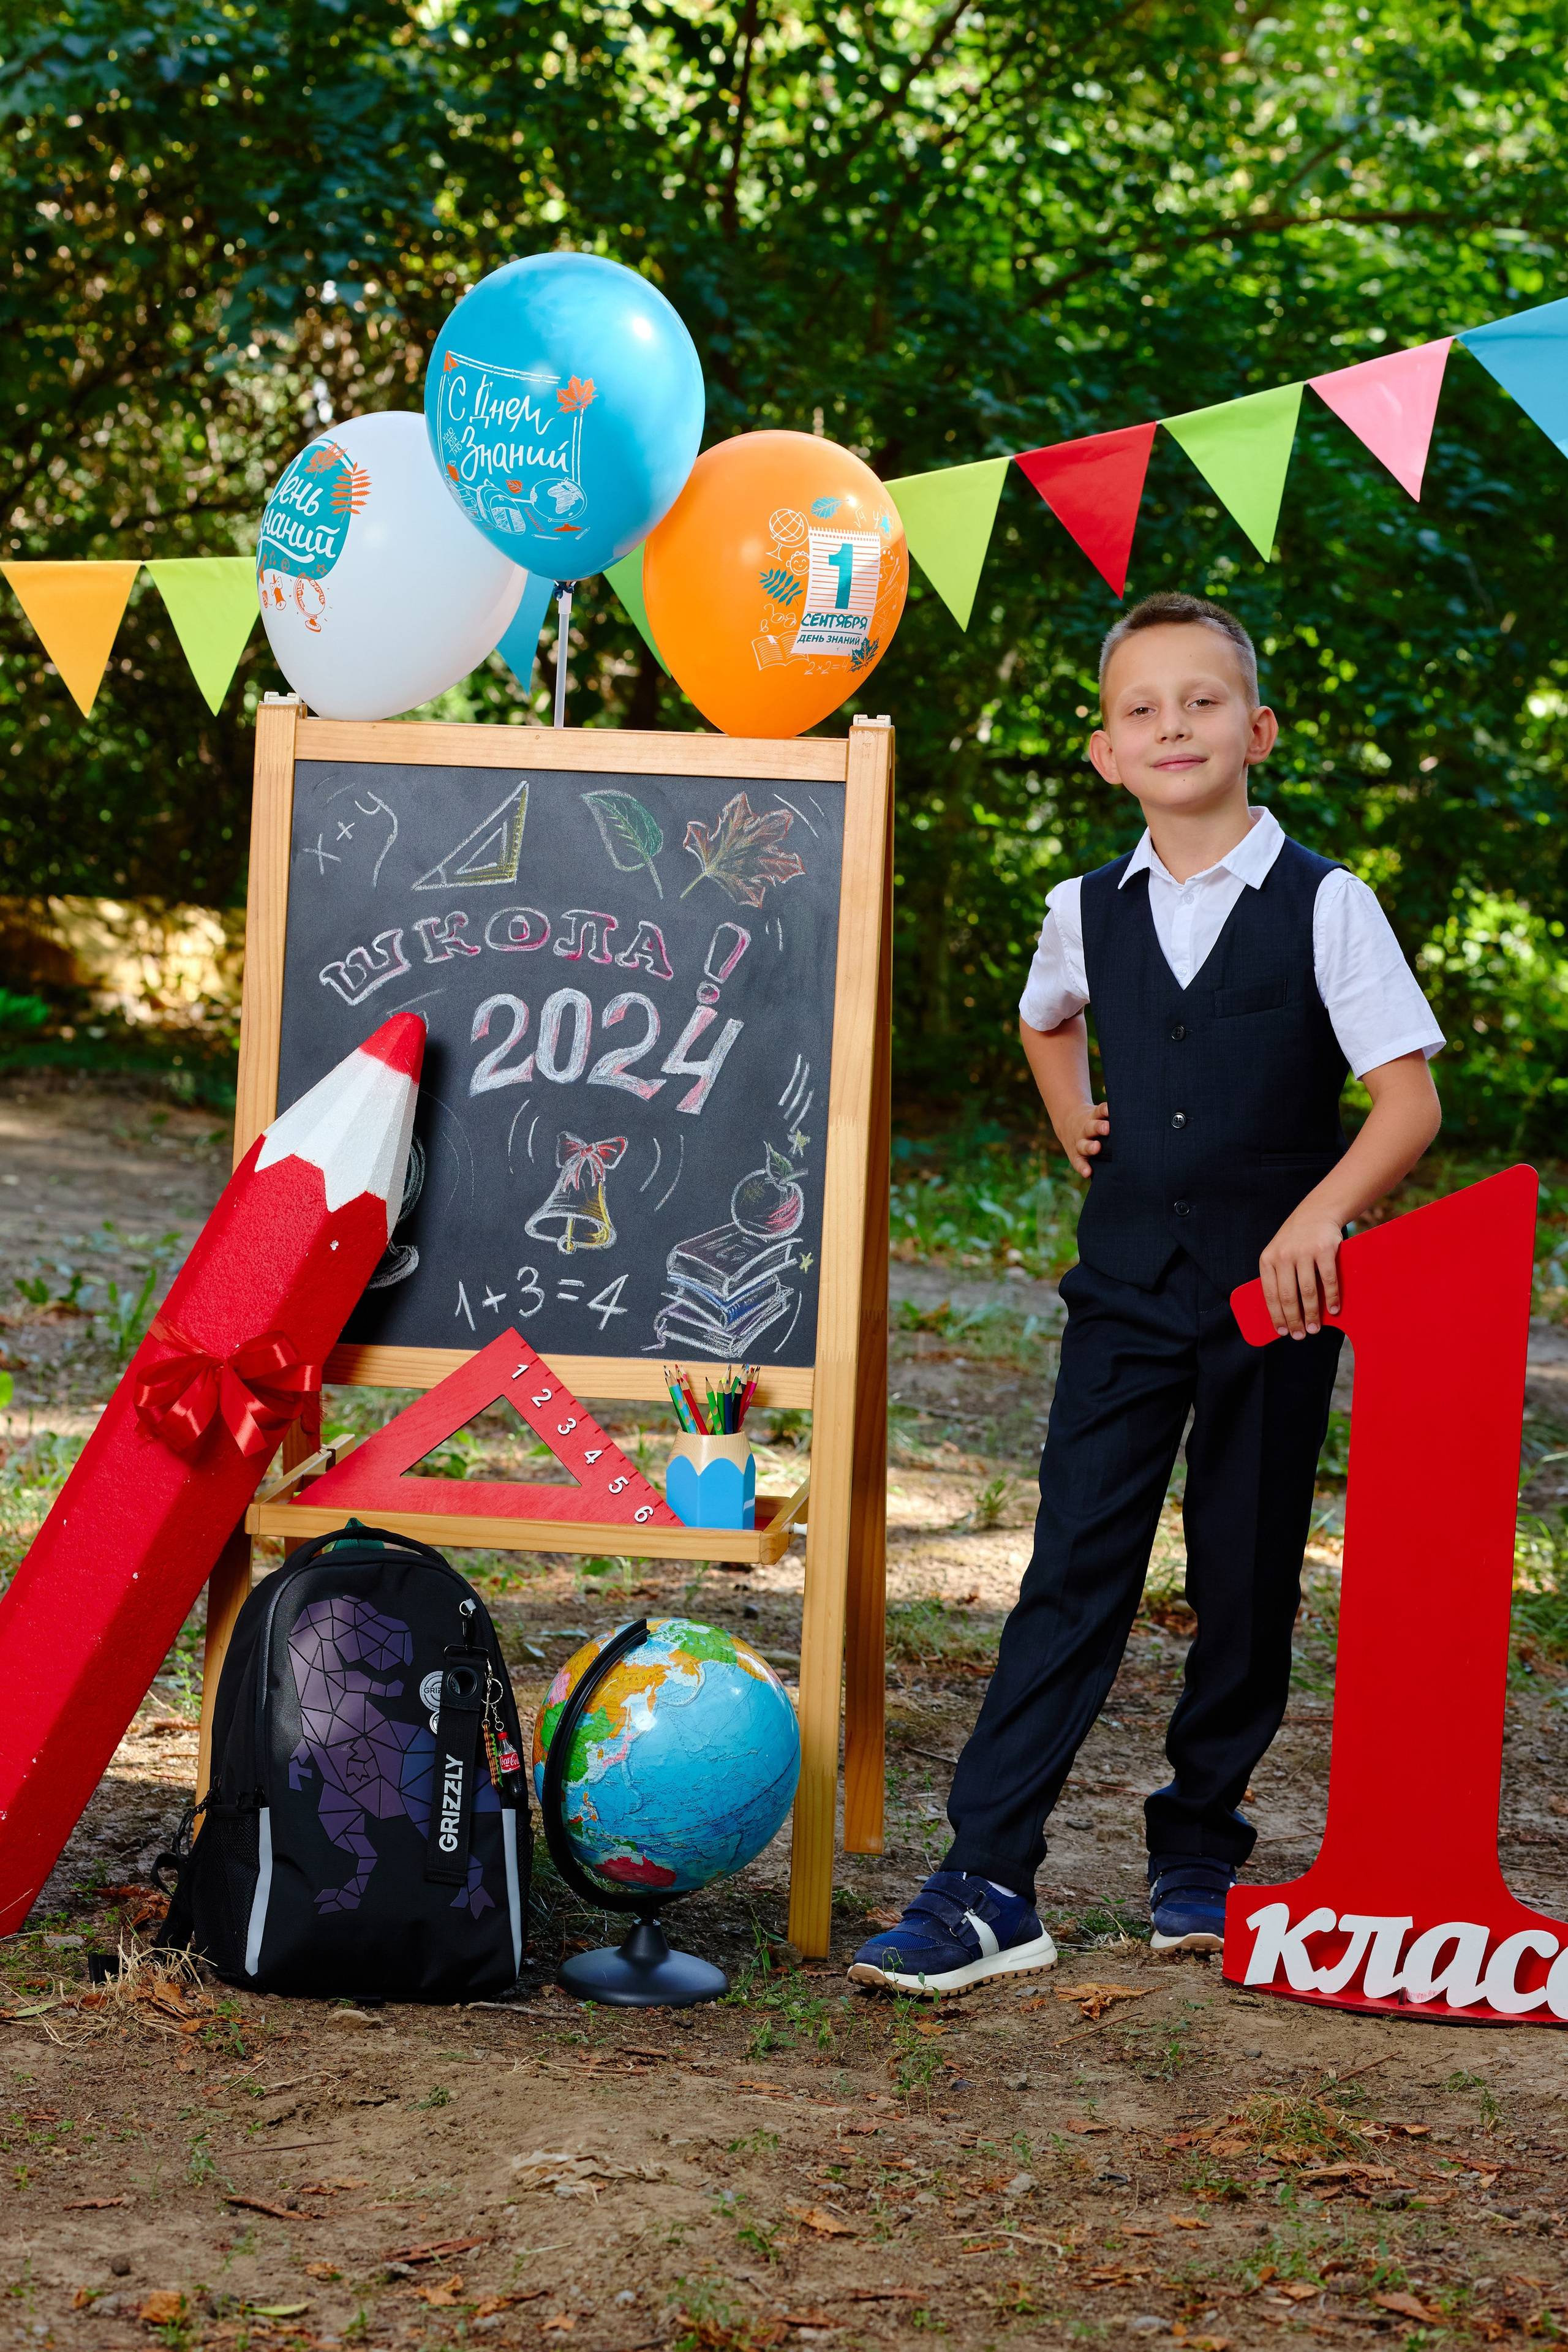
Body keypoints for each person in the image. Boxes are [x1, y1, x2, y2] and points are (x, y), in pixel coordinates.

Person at [850, 591, 1443, 1995]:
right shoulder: (1082, 907)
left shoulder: (1324, 903)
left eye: (1198, 700)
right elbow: (1042, 1016)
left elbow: (1405, 1105)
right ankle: (989, 1877)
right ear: (1105, 752)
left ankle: (1199, 1849)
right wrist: (1070, 1114)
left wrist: (1316, 1218)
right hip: (1122, 1289)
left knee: (1243, 1578)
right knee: (1071, 1569)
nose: (1170, 724)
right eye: (1139, 708)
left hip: (1272, 1302)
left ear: (1256, 728)